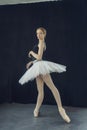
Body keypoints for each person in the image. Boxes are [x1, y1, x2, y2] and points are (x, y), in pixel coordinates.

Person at [19, 27, 71, 123]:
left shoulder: (42, 42)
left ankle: (61, 109)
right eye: (37, 33)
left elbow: (39, 57)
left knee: (52, 87)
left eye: (40, 33)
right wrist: (31, 62)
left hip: (41, 67)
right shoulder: (40, 42)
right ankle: (36, 110)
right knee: (40, 91)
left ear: (44, 34)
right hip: (37, 67)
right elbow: (37, 58)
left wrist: (31, 52)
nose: (38, 35)